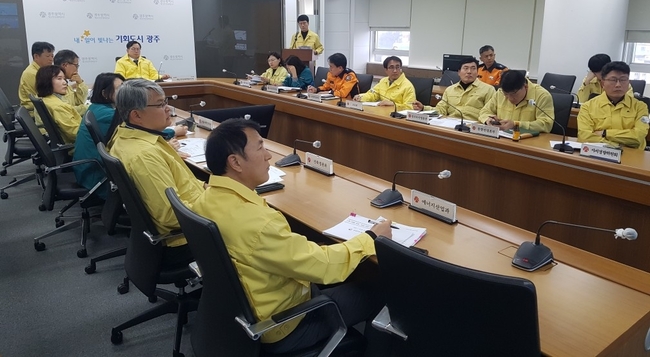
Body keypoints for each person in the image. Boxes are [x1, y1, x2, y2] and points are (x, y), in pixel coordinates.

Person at [192, 118, 393, 354]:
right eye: (260, 147)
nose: (268, 155)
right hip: (285, 324)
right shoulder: (260, 224)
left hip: (247, 311)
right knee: (386, 289)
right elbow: (325, 268)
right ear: (235, 162)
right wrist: (370, 237)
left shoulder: (205, 199)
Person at [108, 79, 205, 257]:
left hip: (194, 209)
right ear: (136, 115)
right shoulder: (145, 156)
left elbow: (183, 182)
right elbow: (171, 216)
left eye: (165, 102)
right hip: (190, 236)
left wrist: (207, 188)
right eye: (160, 104)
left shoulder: (127, 134)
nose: (168, 109)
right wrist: (216, 205)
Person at [72, 73, 124, 200]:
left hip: (88, 170)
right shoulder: (108, 114)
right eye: (120, 89)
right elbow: (139, 131)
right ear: (105, 93)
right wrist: (169, 131)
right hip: (97, 177)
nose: (125, 92)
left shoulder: (96, 108)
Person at [577, 62, 649, 149]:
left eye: (623, 80)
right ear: (603, 84)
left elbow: (638, 137)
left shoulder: (640, 107)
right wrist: (615, 146)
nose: (618, 85)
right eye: (613, 80)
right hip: (598, 153)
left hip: (633, 155)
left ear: (629, 83)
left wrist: (605, 133)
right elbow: (585, 137)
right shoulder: (587, 107)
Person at [413, 57, 495, 120]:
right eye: (465, 68)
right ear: (459, 72)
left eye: (473, 68)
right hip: (451, 125)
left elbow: (490, 113)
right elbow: (441, 110)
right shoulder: (450, 90)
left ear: (477, 72)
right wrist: (423, 108)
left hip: (473, 127)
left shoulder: (488, 90)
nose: (469, 71)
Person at [479, 69, 554, 133]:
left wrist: (516, 125)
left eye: (513, 94)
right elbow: (484, 112)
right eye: (506, 94)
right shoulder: (500, 93)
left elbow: (546, 124)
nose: (510, 98)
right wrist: (488, 119)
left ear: (525, 86)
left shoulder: (542, 96)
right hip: (502, 138)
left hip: (529, 140)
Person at [35, 65, 82, 145]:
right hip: (75, 146)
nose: (65, 82)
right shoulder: (58, 107)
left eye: (64, 79)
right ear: (47, 81)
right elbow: (76, 134)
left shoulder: (44, 98)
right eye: (59, 79)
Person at [19, 41, 55, 116]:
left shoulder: (41, 71)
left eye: (52, 56)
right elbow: (46, 94)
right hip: (35, 112)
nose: (51, 59)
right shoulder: (32, 73)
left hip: (41, 109)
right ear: (36, 56)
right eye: (48, 56)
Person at [53, 49, 89, 115]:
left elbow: (78, 102)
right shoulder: (55, 84)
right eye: (76, 66)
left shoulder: (64, 82)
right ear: (65, 65)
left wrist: (80, 83)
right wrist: (88, 108)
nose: (77, 70)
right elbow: (67, 110)